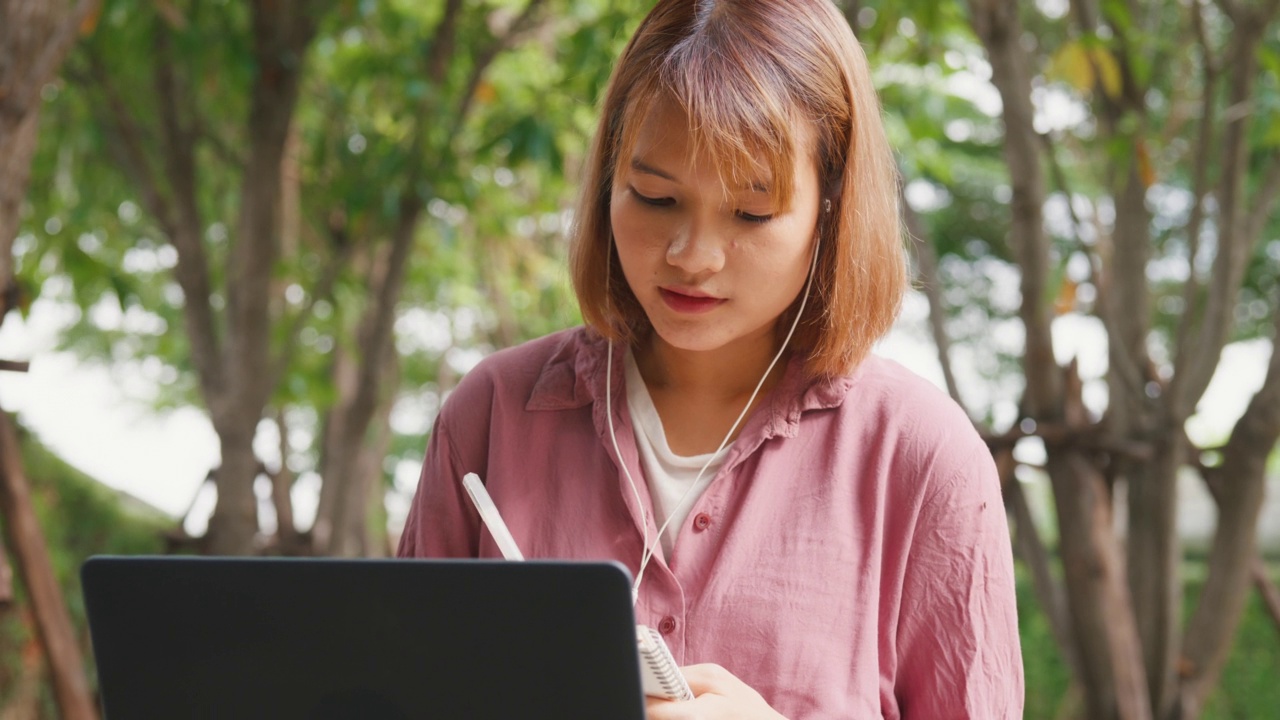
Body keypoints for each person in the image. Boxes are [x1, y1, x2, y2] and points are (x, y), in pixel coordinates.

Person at [396, 0, 1024, 717]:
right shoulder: (492, 416)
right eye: (655, 197)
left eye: (751, 214)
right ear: (609, 183)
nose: (692, 256)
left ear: (833, 208)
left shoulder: (922, 460)